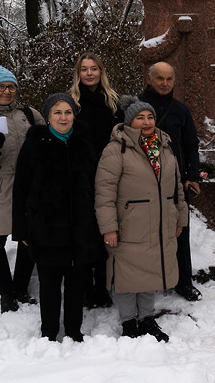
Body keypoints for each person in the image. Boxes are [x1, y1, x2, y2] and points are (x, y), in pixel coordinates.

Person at [94, 98, 188, 342]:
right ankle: (128, 322)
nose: (146, 122)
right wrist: (109, 227)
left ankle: (146, 318)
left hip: (159, 224)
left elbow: (177, 186)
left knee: (150, 273)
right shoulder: (116, 150)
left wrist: (180, 217)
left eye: (150, 117)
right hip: (129, 226)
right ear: (129, 122)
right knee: (126, 277)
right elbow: (104, 193)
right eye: (140, 118)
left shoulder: (165, 146)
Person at [12, 93, 101, 342]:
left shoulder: (84, 142)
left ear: (74, 115)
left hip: (80, 229)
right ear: (48, 116)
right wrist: (21, 230)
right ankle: (49, 333)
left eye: (68, 112)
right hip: (46, 230)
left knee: (76, 285)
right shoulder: (35, 144)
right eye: (57, 112)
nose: (63, 117)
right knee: (49, 286)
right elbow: (20, 188)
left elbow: (97, 185)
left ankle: (74, 331)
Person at [0, 65, 44, 313]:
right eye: (1, 87)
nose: (6, 91)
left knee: (27, 237)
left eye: (11, 86)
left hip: (30, 185)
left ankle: (21, 289)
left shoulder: (29, 114)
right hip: (2, 187)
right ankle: (6, 293)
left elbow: (49, 141)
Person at [138, 61, 202, 302]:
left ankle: (183, 281)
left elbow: (190, 145)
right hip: (142, 182)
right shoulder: (136, 107)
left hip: (173, 183)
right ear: (149, 78)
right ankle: (145, 282)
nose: (164, 83)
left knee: (180, 232)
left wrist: (191, 177)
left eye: (169, 79)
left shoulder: (180, 110)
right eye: (159, 78)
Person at [69, 51, 124, 309]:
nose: (89, 73)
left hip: (110, 173)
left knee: (107, 230)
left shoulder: (113, 102)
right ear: (78, 73)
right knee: (85, 231)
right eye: (84, 69)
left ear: (101, 72)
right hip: (81, 175)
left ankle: (103, 287)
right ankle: (87, 289)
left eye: (94, 69)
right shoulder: (72, 103)